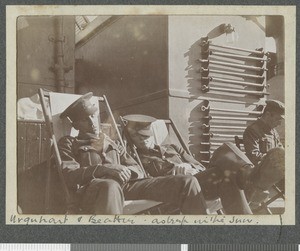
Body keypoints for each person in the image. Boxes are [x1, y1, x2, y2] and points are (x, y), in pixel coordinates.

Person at [57, 92, 207, 215]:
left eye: (93, 116)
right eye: (85, 119)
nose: (92, 122)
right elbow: (69, 174)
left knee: (186, 182)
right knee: (110, 186)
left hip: (125, 186)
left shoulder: (111, 142)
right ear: (75, 125)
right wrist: (105, 170)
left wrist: (127, 171)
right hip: (93, 191)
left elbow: (137, 168)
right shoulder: (68, 143)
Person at [124, 114, 284, 214]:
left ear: (153, 134)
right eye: (137, 137)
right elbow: (147, 183)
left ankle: (249, 179)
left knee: (227, 151)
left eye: (146, 136)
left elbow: (199, 165)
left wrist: (190, 167)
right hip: (179, 187)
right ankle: (251, 178)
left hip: (199, 179)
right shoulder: (136, 156)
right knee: (226, 172)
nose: (142, 140)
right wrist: (174, 172)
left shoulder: (172, 147)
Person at [243, 100, 285, 203]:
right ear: (267, 114)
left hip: (275, 171)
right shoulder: (252, 130)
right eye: (278, 119)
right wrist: (272, 159)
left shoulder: (274, 132)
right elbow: (254, 155)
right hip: (260, 174)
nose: (279, 123)